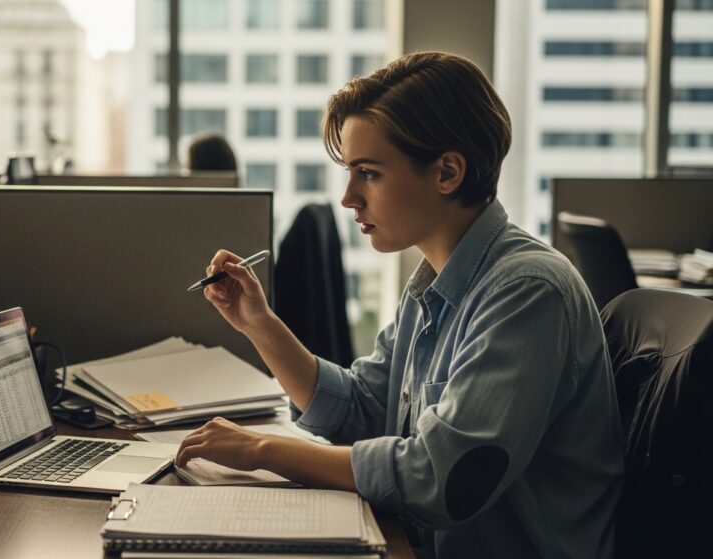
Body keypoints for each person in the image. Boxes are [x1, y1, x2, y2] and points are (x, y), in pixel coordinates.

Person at [176, 52, 623, 559]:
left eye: (368, 173)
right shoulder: (435, 282)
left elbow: (440, 477)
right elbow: (364, 407)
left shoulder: (526, 292)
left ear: (447, 172)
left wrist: (262, 450)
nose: (348, 197)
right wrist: (259, 324)